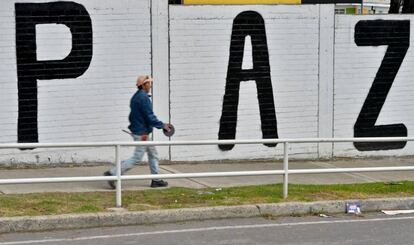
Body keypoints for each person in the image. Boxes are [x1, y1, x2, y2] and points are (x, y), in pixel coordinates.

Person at [104, 75, 171, 189]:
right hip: (142, 134)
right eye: (149, 83)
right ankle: (112, 174)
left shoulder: (136, 97)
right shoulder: (143, 98)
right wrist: (162, 125)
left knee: (153, 154)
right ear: (144, 85)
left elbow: (135, 116)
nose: (151, 85)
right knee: (136, 158)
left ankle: (156, 179)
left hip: (140, 131)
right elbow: (150, 117)